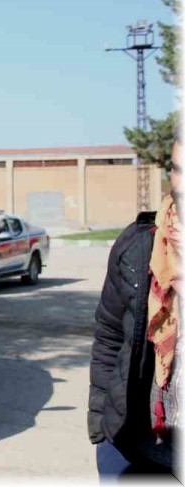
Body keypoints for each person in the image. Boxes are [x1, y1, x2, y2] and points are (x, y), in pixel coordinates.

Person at [88, 139, 181, 480]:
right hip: (133, 447)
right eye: (177, 170)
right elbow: (109, 337)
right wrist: (102, 429)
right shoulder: (139, 245)